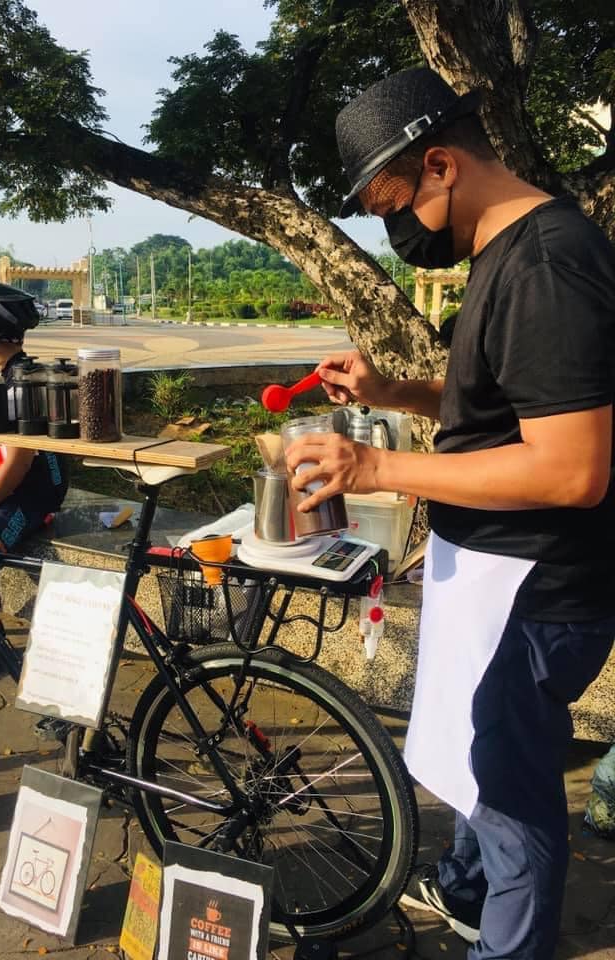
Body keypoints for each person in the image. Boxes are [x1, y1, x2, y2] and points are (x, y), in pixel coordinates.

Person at [285, 67, 615, 960]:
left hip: (534, 591)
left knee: (513, 800)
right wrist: (394, 391)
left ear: (440, 164)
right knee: (487, 768)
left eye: (393, 205)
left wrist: (379, 464)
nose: (395, 232)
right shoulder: (506, 253)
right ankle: (471, 896)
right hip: (498, 582)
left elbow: (574, 467)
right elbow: (506, 413)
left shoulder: (546, 264)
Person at [0, 281, 69, 673]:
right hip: (9, 490)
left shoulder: (21, 384)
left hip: (29, 499)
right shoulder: (12, 374)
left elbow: (19, 463)